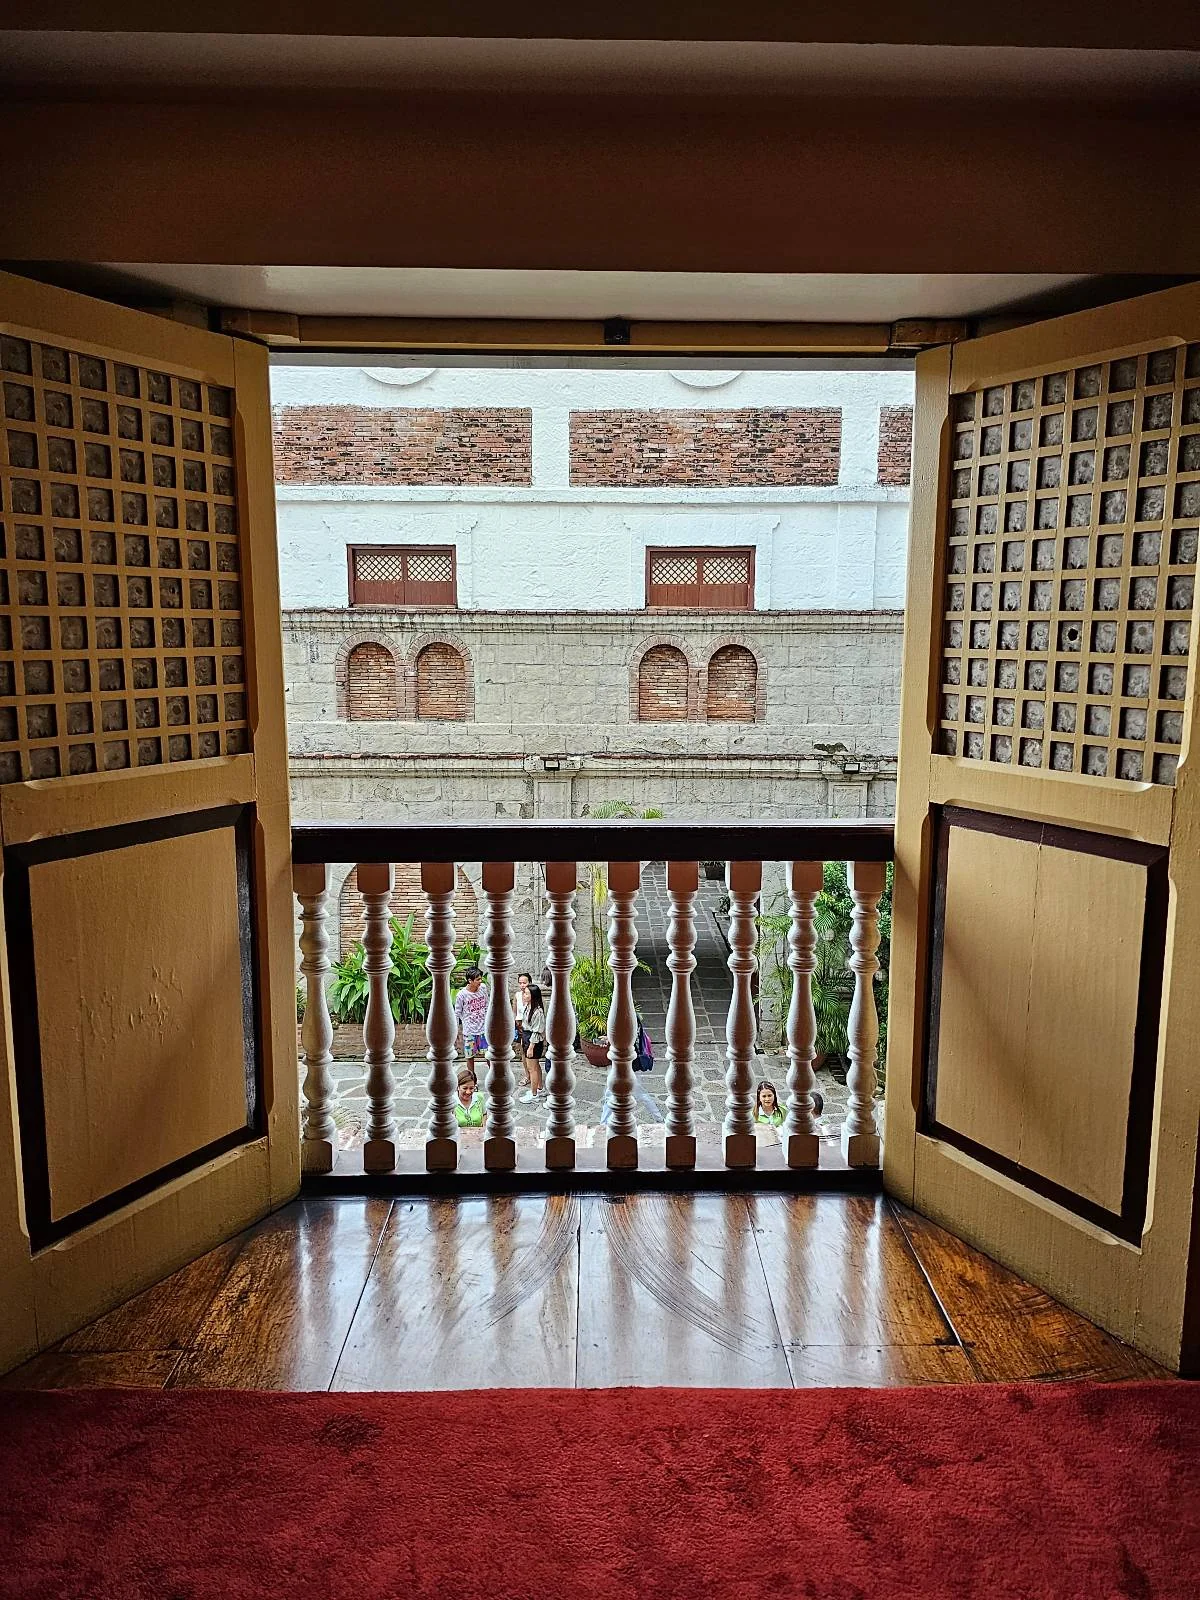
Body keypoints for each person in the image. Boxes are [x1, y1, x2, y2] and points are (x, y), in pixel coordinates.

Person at [453, 966, 489, 1078]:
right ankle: (472, 1079)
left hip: (483, 1030)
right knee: (470, 1057)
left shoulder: (483, 988)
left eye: (480, 978)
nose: (480, 981)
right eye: (477, 979)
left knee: (489, 1055)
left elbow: (487, 1005)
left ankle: (494, 1076)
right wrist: (455, 1033)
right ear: (470, 980)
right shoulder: (461, 995)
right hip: (469, 1031)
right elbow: (457, 1014)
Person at [518, 984, 547, 1103]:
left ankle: (534, 1094)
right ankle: (539, 1088)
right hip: (527, 1037)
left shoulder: (537, 1011)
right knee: (535, 1066)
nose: (524, 995)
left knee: (532, 1068)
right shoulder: (528, 1007)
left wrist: (531, 1046)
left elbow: (537, 1031)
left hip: (533, 1041)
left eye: (526, 993)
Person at [754, 1079, 824, 1125]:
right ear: (759, 1097)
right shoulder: (753, 1113)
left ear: (774, 1096)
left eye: (769, 1095)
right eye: (764, 1096)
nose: (767, 1099)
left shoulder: (783, 1110)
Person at [454, 1063, 485, 1127]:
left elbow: (484, 1114)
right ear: (458, 1087)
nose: (468, 1092)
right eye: (465, 1088)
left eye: (471, 1088)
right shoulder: (451, 1102)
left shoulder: (480, 1097)